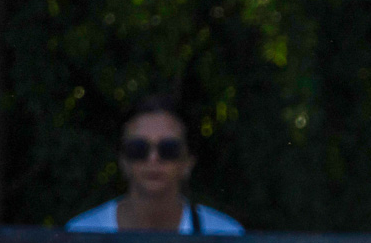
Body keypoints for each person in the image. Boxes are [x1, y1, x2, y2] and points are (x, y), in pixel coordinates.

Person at [66, 95, 243, 234]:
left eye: (168, 149)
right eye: (139, 148)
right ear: (123, 161)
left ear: (188, 163)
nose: (153, 159)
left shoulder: (224, 234)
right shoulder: (80, 233)